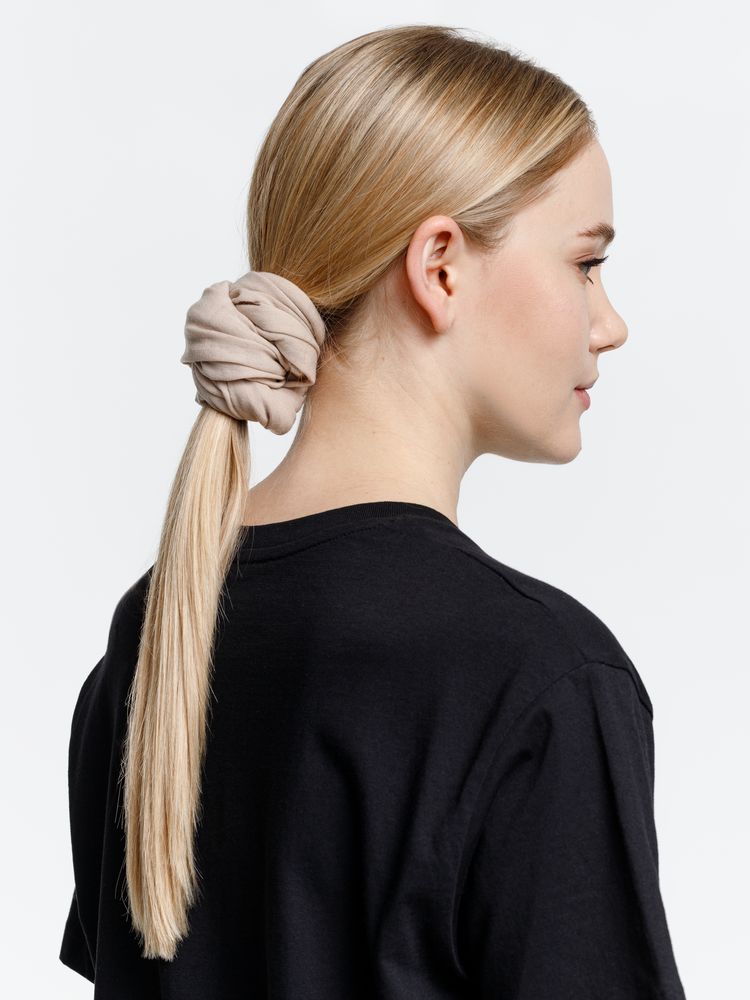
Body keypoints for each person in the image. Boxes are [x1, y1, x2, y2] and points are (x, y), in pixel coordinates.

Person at [59, 24, 688, 999]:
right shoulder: (540, 678)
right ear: (441, 267)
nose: (610, 324)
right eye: (585, 263)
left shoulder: (155, 629)